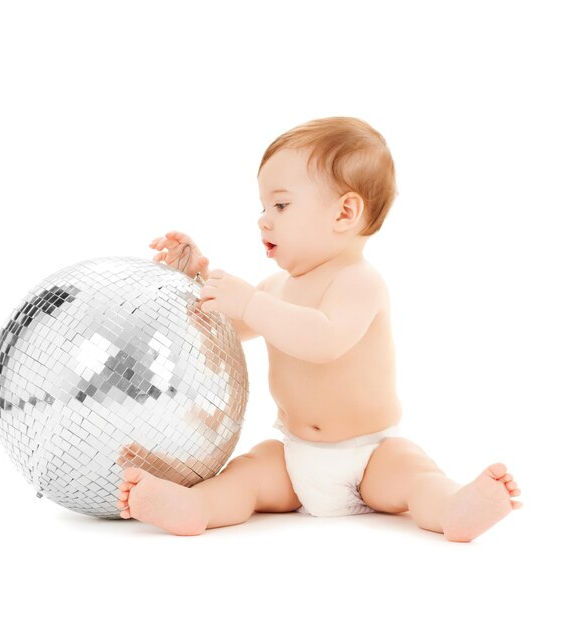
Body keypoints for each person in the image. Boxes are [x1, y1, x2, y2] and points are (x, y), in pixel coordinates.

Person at [116, 116, 523, 541]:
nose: (263, 220)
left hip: (369, 455)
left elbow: (324, 340)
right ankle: (196, 507)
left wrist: (251, 303)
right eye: (262, 206)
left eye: (281, 205)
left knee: (413, 472)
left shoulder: (359, 281)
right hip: (295, 457)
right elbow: (225, 330)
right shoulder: (275, 287)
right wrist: (198, 280)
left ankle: (453, 508)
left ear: (345, 213)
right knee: (248, 473)